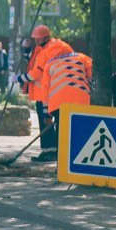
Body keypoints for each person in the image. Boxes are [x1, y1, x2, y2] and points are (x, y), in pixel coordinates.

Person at [17, 25, 73, 162]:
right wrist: (26, 52)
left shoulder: (47, 51)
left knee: (46, 122)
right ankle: (60, 151)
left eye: (37, 38)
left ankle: (49, 151)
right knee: (60, 123)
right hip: (60, 92)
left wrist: (20, 78)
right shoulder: (59, 46)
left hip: (45, 94)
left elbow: (37, 72)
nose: (36, 41)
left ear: (45, 37)